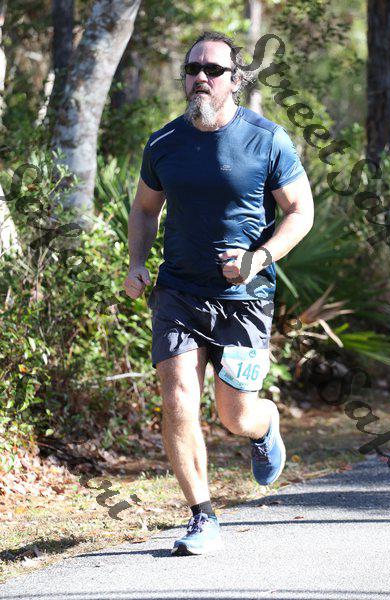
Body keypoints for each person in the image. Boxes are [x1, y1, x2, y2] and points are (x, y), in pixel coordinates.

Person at [123, 30, 314, 556]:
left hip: (244, 299)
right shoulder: (164, 142)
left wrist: (258, 258)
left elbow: (300, 211)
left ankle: (264, 425)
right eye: (193, 69)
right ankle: (202, 516)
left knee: (234, 415)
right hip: (178, 292)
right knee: (177, 399)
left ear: (236, 79)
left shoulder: (266, 139)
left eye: (213, 70)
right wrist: (137, 263)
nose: (201, 78)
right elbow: (145, 209)